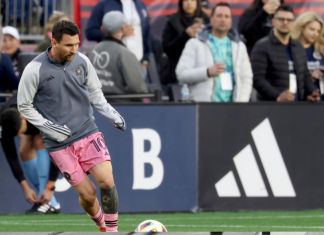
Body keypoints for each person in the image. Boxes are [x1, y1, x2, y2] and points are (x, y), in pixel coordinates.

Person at [17, 20, 126, 232]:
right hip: (59, 144)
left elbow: (95, 94)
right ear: (54, 41)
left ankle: (112, 231)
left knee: (106, 181)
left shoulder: (83, 61)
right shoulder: (34, 69)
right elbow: (24, 105)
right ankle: (101, 225)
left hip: (88, 132)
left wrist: (111, 113)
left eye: (76, 44)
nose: (74, 49)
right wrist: (48, 127)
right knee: (88, 195)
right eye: (68, 45)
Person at [175, 2, 253, 102]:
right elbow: (181, 75)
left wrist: (241, 102)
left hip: (233, 108)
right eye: (219, 16)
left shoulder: (239, 46)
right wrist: (206, 72)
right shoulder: (195, 43)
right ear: (211, 19)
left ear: (231, 21)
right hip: (204, 107)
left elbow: (246, 77)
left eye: (226, 16)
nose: (223, 19)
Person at [0, 93, 61, 214]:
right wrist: (25, 188)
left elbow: (58, 151)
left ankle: (47, 202)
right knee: (24, 151)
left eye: (19, 132)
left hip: (50, 112)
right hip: (28, 115)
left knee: (40, 141)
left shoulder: (43, 112)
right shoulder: (5, 121)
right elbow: (11, 157)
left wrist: (50, 187)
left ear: (23, 118)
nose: (18, 135)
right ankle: (47, 200)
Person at [251, 5, 320, 102]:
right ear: (273, 21)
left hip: (297, 106)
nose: (285, 22)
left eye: (289, 20)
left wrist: (312, 92)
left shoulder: (298, 46)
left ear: (293, 23)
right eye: (281, 19)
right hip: (271, 108)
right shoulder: (262, 46)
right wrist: (277, 96)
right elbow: (257, 79)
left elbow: (305, 75)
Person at [88, 11, 148, 100]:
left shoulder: (92, 52)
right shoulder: (125, 54)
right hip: (120, 107)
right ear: (123, 29)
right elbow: (138, 88)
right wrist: (143, 71)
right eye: (127, 25)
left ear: (102, 29)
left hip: (94, 106)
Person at [85, 0, 151, 64]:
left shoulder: (140, 4)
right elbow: (90, 32)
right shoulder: (104, 4)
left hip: (139, 62)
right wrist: (115, 34)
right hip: (113, 63)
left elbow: (146, 34)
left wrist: (146, 59)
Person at [162, 0, 209, 86]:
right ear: (181, 3)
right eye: (186, 0)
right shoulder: (172, 21)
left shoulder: (207, 20)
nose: (189, 3)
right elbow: (167, 49)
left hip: (203, 71)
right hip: (177, 71)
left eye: (192, 0)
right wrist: (185, 35)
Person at [291, 12, 324, 100]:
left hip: (320, 99)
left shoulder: (320, 49)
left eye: (318, 31)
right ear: (302, 27)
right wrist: (311, 77)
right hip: (299, 101)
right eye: (312, 29)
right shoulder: (290, 48)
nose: (315, 34)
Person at [0, 26, 19, 99]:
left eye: (11, 39)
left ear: (18, 42)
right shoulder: (4, 59)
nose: (7, 44)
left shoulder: (26, 60)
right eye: (4, 40)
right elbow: (14, 85)